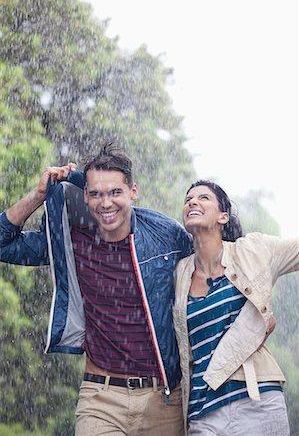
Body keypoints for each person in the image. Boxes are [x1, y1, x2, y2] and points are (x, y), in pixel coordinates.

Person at [0, 141, 194, 436]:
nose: (106, 203)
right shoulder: (72, 241)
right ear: (86, 197)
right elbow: (3, 244)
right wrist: (39, 194)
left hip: (164, 399)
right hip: (100, 399)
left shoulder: (165, 234)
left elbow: (209, 268)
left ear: (133, 191)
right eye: (96, 194)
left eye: (115, 192)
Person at [173, 180, 298, 436]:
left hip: (257, 399)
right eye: (188, 199)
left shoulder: (252, 250)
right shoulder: (179, 273)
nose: (193, 202)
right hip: (201, 411)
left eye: (204, 198)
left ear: (223, 216)